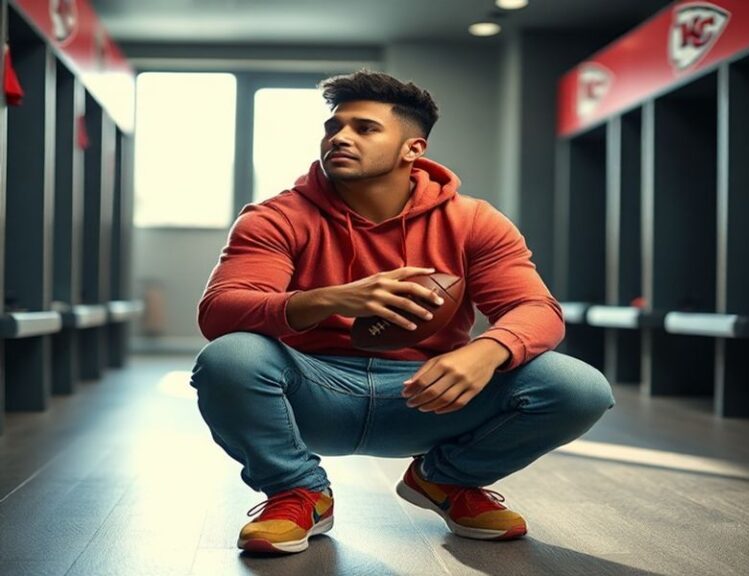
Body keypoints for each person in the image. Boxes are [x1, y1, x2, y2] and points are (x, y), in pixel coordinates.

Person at [191, 70, 614, 555]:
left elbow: (536, 309)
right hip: (315, 392)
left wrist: (487, 351)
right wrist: (334, 297)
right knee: (230, 357)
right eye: (334, 127)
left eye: (365, 128)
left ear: (413, 149)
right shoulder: (276, 217)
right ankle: (297, 492)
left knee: (578, 387)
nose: (340, 138)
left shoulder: (474, 221)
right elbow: (220, 312)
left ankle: (446, 480)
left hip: (429, 394)